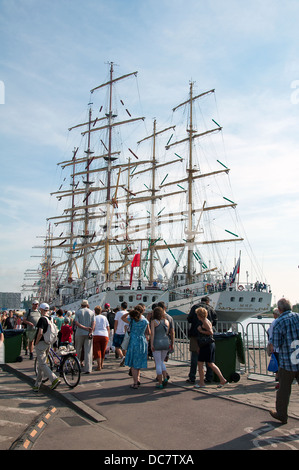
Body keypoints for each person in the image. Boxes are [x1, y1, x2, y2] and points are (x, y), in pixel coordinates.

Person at [269, 298, 299, 424]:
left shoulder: (279, 322)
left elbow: (276, 343)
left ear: (279, 309)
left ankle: (282, 414)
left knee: (284, 390)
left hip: (287, 361)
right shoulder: (298, 317)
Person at [186, 296, 217, 384]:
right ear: (208, 301)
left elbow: (189, 319)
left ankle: (192, 377)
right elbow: (215, 321)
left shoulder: (195, 307)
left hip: (195, 335)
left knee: (195, 357)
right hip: (207, 339)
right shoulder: (210, 309)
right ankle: (209, 377)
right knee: (208, 359)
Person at [195, 307, 227, 388]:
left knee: (201, 363)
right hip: (208, 345)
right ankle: (222, 379)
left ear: (199, 315)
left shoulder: (205, 322)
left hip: (206, 345)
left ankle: (202, 383)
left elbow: (210, 332)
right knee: (210, 363)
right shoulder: (206, 321)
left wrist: (201, 330)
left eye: (197, 315)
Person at [32, 303, 61, 392]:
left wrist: (36, 343)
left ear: (41, 309)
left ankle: (54, 379)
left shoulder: (42, 319)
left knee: (42, 364)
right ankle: (37, 384)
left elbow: (40, 332)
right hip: (48, 343)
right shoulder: (51, 318)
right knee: (41, 364)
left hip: (41, 343)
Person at [122, 308, 150, 389]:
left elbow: (122, 318)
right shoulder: (145, 321)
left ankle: (135, 383)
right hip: (142, 341)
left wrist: (129, 312)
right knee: (138, 361)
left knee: (134, 364)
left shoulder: (132, 321)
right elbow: (148, 332)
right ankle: (138, 379)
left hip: (133, 341)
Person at [151, 306, 170, 389]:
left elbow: (152, 334)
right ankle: (165, 378)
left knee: (158, 363)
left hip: (157, 342)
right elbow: (167, 332)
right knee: (162, 361)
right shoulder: (167, 321)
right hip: (166, 342)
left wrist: (151, 344)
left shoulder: (154, 322)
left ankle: (160, 382)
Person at [74, 300, 95, 374]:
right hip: (88, 333)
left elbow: (76, 323)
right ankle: (88, 368)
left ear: (81, 305)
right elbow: (93, 322)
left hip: (79, 333)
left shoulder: (78, 312)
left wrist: (84, 327)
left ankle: (76, 366)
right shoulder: (92, 312)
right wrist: (90, 330)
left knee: (78, 350)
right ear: (87, 305)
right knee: (88, 351)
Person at [93, 306, 110, 371]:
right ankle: (102, 364)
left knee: (98, 350)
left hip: (96, 334)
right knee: (103, 351)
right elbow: (108, 327)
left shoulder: (94, 318)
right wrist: (108, 335)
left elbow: (93, 326)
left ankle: (99, 366)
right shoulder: (104, 318)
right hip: (104, 335)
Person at [267, 308, 280, 384]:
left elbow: (271, 335)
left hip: (276, 346)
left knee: (277, 362)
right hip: (278, 347)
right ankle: (278, 377)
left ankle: (278, 376)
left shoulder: (275, 322)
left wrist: (271, 346)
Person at [113, 301, 128, 365]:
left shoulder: (118, 313)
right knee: (124, 347)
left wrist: (114, 331)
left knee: (117, 347)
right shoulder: (128, 313)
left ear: (121, 307)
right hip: (125, 332)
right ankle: (125, 359)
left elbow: (116, 323)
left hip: (118, 332)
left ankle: (122, 357)